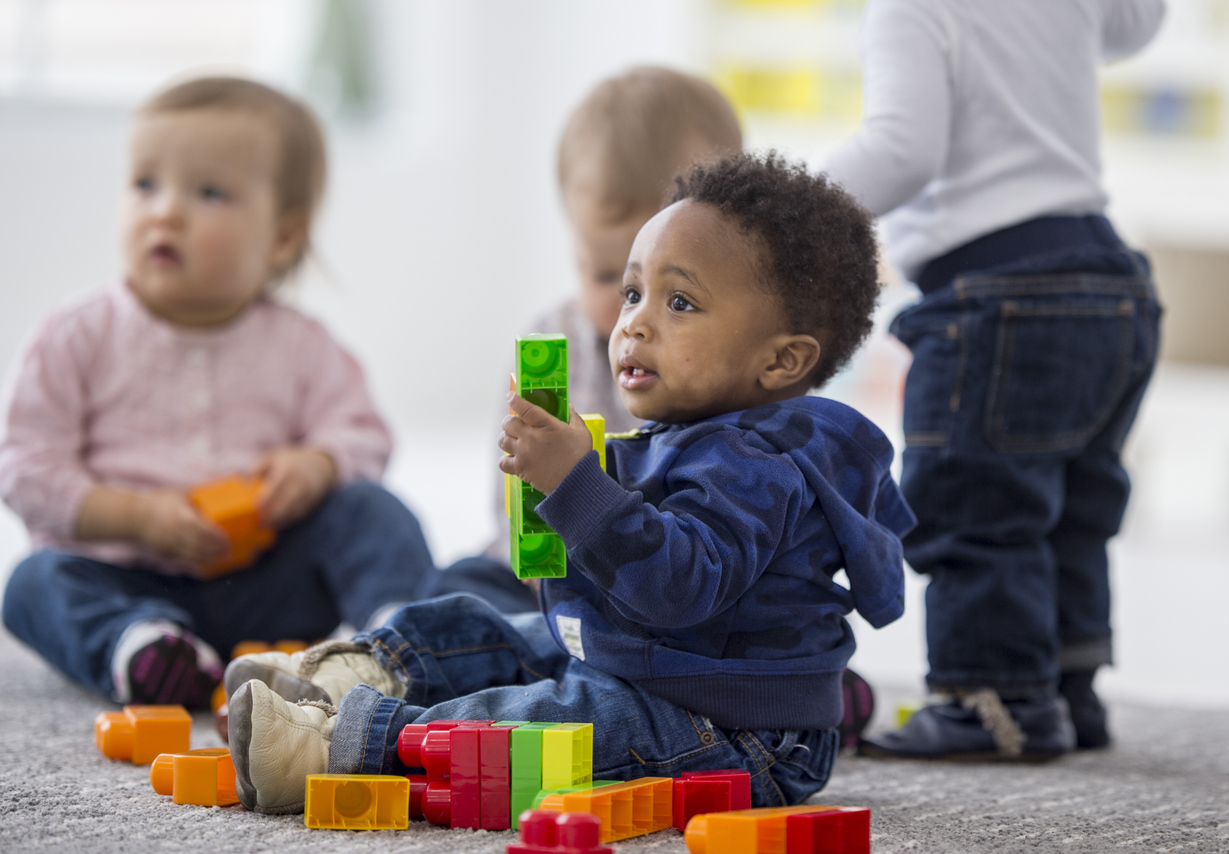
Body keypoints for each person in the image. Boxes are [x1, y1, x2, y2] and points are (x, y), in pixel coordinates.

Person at [222, 153, 915, 815]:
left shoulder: (760, 466)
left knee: (551, 725)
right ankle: (352, 677)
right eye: (633, 292)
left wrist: (576, 484)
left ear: (781, 361)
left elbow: (677, 588)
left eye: (679, 302)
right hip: (651, 664)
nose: (635, 322)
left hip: (735, 731)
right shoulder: (690, 438)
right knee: (499, 629)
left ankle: (335, 745)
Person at [0, 77, 434, 710]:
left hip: (265, 580)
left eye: (207, 192)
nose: (165, 211)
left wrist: (314, 466)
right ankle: (142, 649)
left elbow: (364, 434)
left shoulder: (301, 344)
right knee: (32, 584)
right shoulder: (76, 336)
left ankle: (402, 643)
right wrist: (138, 517)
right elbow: (26, 472)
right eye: (145, 184)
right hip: (122, 573)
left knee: (375, 511)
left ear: (282, 237)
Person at [822, 0, 1166, 759]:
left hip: (996, 296)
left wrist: (768, 207)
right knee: (1071, 505)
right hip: (1111, 285)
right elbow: (1137, 22)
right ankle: (1069, 692)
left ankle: (996, 701)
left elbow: (902, 151)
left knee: (976, 505)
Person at [423, 67, 744, 616]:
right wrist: (520, 547)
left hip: (659, 577)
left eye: (674, 295)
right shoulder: (555, 339)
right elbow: (510, 464)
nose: (631, 316)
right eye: (607, 279)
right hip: (548, 572)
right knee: (456, 589)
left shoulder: (728, 354)